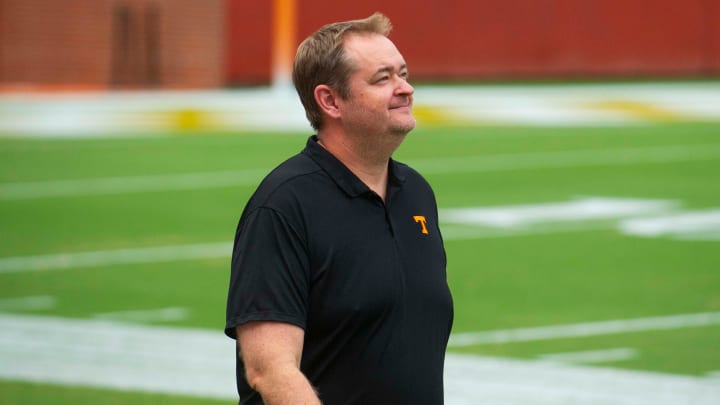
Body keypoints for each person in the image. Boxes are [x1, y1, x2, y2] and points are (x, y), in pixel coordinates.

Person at [225, 12, 453, 404]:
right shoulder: (283, 205)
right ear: (330, 101)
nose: (406, 89)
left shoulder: (416, 192)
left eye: (403, 73)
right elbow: (270, 370)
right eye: (383, 79)